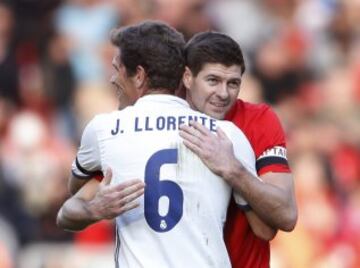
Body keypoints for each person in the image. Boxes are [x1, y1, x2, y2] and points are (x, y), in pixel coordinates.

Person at [57, 21, 261, 268]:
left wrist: (93, 210)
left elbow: (67, 208)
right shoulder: (226, 136)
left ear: (140, 76)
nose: (112, 79)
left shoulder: (104, 130)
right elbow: (265, 228)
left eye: (117, 69)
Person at [179, 31, 298, 268]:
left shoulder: (259, 119)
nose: (223, 94)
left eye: (233, 83)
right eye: (213, 80)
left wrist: (233, 170)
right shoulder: (164, 120)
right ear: (187, 77)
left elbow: (286, 216)